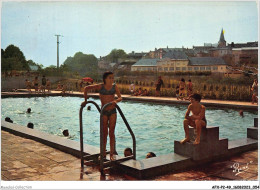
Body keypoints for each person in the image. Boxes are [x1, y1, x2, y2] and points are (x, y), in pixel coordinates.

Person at [81, 71, 122, 161]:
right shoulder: (100, 86)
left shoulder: (114, 87)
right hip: (104, 112)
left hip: (112, 112)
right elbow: (86, 88)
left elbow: (120, 97)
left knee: (111, 133)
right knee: (104, 133)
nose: (112, 79)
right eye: (110, 78)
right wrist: (85, 100)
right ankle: (103, 153)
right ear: (105, 79)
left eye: (112, 78)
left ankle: (112, 153)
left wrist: (116, 101)